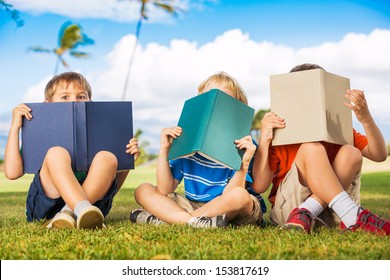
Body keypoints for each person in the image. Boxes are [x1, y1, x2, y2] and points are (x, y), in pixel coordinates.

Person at [252, 63, 390, 235]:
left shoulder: (338, 130)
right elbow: (259, 186)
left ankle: (313, 210)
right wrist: (264, 141)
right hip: (288, 211)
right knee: (311, 149)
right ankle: (353, 215)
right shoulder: (280, 134)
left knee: (351, 152)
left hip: (330, 213)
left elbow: (379, 154)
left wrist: (366, 119)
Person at [4, 72, 140, 230]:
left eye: (81, 96)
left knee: (107, 157)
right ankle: (78, 209)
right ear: (47, 104)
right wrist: (15, 127)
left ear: (90, 102)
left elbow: (111, 188)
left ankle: (69, 212)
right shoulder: (41, 133)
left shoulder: (103, 133)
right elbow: (12, 173)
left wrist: (127, 160)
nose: (74, 101)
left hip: (92, 208)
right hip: (47, 207)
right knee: (56, 153)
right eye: (65, 97)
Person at [130, 71, 266, 228]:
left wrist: (244, 164)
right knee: (143, 189)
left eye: (224, 101)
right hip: (192, 205)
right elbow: (164, 188)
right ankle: (194, 222)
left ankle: (174, 220)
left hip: (231, 207)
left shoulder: (245, 143)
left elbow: (233, 194)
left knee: (239, 196)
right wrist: (164, 149)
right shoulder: (188, 141)